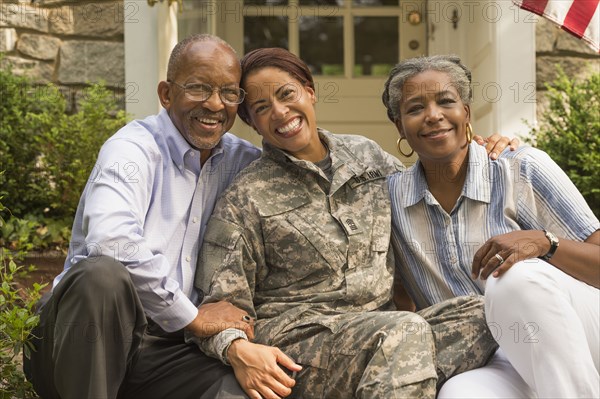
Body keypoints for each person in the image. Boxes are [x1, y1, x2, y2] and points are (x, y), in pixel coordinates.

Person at [189, 47, 514, 399]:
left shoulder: (366, 155)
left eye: (287, 94)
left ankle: (383, 381)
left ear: (309, 92)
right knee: (402, 336)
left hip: (380, 330)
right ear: (251, 123)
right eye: (262, 108)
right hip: (300, 343)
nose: (280, 112)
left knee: (489, 311)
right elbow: (219, 304)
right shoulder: (246, 195)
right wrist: (236, 350)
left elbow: (428, 181)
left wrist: (475, 146)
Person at [24, 34, 267, 399]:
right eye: (199, 88)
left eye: (230, 93)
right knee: (101, 275)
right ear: (166, 94)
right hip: (84, 340)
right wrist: (193, 316)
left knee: (242, 388)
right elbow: (111, 239)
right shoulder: (132, 150)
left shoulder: (243, 161)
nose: (216, 105)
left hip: (166, 350)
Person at [382, 54, 599, 398]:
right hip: (490, 359)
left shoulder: (521, 168)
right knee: (460, 394)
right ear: (399, 126)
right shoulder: (389, 201)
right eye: (415, 108)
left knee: (513, 277)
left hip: (576, 333)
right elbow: (400, 298)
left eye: (446, 101)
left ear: (466, 112)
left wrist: (546, 243)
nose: (434, 115)